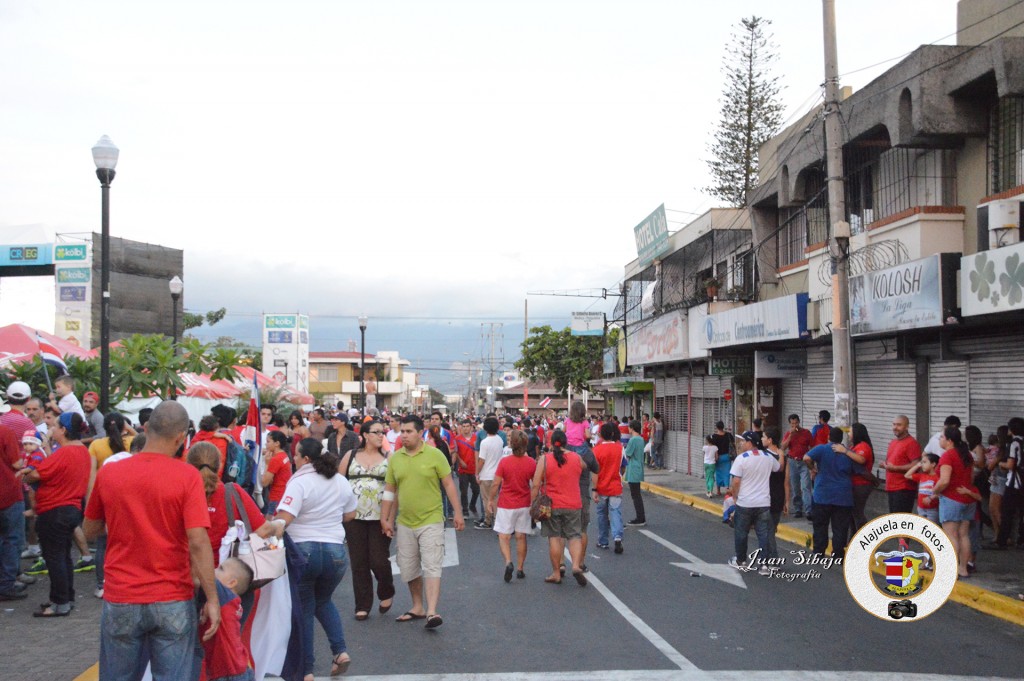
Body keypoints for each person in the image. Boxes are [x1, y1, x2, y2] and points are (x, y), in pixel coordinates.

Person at [83, 401, 220, 680]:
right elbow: (198, 542)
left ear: (144, 429)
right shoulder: (187, 477)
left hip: (122, 594)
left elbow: (89, 530)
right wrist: (213, 599)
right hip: (172, 596)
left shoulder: (110, 472)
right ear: (182, 438)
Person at [258, 438, 357, 679]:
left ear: (305, 459)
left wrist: (263, 531)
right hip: (335, 551)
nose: (294, 459)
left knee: (303, 609)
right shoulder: (340, 481)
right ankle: (340, 650)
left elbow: (284, 520)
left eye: (296, 456)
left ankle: (307, 668)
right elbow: (351, 514)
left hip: (304, 550)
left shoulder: (299, 481)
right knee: (323, 601)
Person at [380, 415, 464, 629]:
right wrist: (386, 518)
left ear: (420, 433)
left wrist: (458, 512)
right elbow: (390, 491)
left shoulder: (435, 455)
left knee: (432, 564)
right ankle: (417, 606)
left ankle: (432, 611)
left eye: (409, 431)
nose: (405, 435)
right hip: (405, 522)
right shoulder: (395, 458)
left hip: (432, 518)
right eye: (403, 432)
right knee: (408, 568)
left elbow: (449, 485)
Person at [16, 413, 93, 617]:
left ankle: (60, 602)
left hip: (55, 510)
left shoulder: (66, 452)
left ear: (64, 430)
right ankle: (65, 598)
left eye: (56, 425)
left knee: (55, 558)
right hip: (71, 508)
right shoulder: (81, 451)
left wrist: (27, 472)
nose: (53, 428)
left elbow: (36, 473)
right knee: (63, 556)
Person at [338, 420, 395, 621]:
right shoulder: (350, 455)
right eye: (376, 432)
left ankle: (386, 589)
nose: (381, 435)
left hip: (380, 517)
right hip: (354, 517)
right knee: (359, 561)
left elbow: (394, 489)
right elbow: (339, 483)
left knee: (379, 560)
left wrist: (390, 518)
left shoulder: (389, 457)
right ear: (364, 435)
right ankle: (362, 604)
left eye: (383, 432)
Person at [532, 430, 587, 586]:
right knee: (575, 536)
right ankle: (576, 566)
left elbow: (536, 484)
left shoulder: (545, 459)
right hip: (574, 503)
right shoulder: (576, 458)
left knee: (554, 538)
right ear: (566, 442)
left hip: (552, 505)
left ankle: (556, 573)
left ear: (550, 443)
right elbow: (584, 466)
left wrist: (532, 503)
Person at [488, 429, 536, 581]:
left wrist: (490, 499)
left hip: (506, 503)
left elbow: (496, 483)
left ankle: (508, 561)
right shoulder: (531, 462)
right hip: (524, 502)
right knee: (521, 536)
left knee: (504, 536)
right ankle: (520, 568)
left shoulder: (505, 462)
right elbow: (536, 484)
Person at [728, 433, 779, 573]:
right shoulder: (768, 457)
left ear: (750, 443)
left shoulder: (742, 459)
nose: (741, 443)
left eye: (743, 441)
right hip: (763, 503)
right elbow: (777, 467)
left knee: (741, 532)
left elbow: (736, 481)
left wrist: (735, 497)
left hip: (745, 503)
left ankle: (741, 560)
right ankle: (764, 565)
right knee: (763, 534)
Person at [930, 427, 977, 578]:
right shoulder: (967, 455)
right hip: (967, 498)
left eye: (942, 437)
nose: (940, 439)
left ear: (949, 441)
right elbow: (971, 479)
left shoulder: (947, 456)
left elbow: (944, 480)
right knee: (964, 535)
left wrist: (935, 491)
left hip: (951, 499)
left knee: (951, 535)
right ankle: (963, 568)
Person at [804, 427, 857, 559]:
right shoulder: (848, 453)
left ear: (829, 437)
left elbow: (806, 458)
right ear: (841, 439)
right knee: (840, 527)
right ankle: (838, 554)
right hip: (843, 495)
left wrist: (813, 468)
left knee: (820, 525)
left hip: (823, 494)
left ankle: (819, 552)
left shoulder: (822, 449)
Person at [202, 557, 255, 681]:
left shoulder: (226, 597)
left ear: (232, 583)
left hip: (229, 672)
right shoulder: (231, 602)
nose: (214, 569)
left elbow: (204, 573)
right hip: (236, 668)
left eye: (220, 569)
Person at [0, 418, 26, 602]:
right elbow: (17, 464)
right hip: (8, 492)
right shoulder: (5, 432)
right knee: (12, 539)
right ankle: (6, 584)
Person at [991, 417, 1024, 550]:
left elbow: (1010, 464)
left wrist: (1000, 463)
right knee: (1021, 513)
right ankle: (1021, 539)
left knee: (1007, 512)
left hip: (1014, 483)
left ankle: (1002, 540)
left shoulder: (1014, 444)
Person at [592, 421, 624, 553]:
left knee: (602, 514)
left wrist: (594, 489)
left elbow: (595, 472)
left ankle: (603, 540)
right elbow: (623, 466)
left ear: (600, 434)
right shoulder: (620, 448)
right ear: (612, 434)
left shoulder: (596, 450)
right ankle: (617, 537)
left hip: (601, 487)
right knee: (615, 512)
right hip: (615, 486)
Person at [884, 414, 922, 513]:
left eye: (899, 425)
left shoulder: (911, 443)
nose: (895, 427)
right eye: (894, 424)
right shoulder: (893, 442)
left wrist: (895, 468)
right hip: (891, 486)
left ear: (907, 427)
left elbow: (916, 464)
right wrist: (885, 465)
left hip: (904, 488)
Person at [843, 423, 875, 533]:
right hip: (853, 483)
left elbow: (861, 460)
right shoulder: (854, 446)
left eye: (850, 432)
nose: (848, 434)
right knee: (851, 513)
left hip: (861, 484)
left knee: (858, 513)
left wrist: (845, 451)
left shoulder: (863, 446)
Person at [781, 414, 814, 519]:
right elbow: (783, 447)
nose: (795, 425)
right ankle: (798, 509)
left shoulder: (806, 433)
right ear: (790, 424)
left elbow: (812, 447)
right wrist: (790, 436)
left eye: (796, 423)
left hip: (804, 462)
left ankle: (808, 510)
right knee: (795, 487)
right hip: (792, 462)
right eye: (792, 423)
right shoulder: (788, 434)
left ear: (799, 422)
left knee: (806, 486)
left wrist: (812, 463)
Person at [475, 416, 505, 530]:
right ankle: (498, 521)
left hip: (486, 474)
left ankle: (488, 521)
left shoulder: (485, 442)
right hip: (498, 474)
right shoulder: (500, 440)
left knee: (487, 499)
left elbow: (481, 460)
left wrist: (477, 473)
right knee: (496, 498)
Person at [761, 428, 787, 538]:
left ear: (770, 440)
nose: (762, 439)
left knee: (768, 530)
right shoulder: (782, 456)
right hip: (777, 495)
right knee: (770, 529)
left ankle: (770, 554)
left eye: (764, 437)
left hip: (768, 496)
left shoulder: (764, 456)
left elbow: (782, 473)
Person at [261, 430, 293, 517]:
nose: (266, 444)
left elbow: (264, 482)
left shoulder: (276, 459)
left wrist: (267, 464)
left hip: (276, 496)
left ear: (277, 443)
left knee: (271, 524)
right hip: (283, 494)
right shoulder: (284, 455)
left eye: (268, 441)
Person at [454, 420, 480, 517]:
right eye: (463, 426)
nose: (465, 428)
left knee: (476, 490)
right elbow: (455, 453)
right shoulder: (457, 438)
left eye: (467, 426)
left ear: (471, 427)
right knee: (463, 491)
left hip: (474, 469)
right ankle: (465, 510)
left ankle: (472, 505)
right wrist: (460, 461)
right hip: (463, 469)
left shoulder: (476, 438)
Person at [905, 454, 941, 523]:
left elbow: (941, 493)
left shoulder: (937, 477)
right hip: (921, 507)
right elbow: (907, 475)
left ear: (933, 464)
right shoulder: (922, 476)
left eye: (924, 462)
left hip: (932, 509)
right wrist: (917, 466)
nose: (922, 465)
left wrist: (931, 498)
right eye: (922, 463)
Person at [624, 419, 646, 527]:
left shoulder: (633, 440)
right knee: (637, 494)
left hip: (633, 468)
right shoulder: (641, 439)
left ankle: (640, 518)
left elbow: (627, 453)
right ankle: (641, 516)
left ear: (632, 428)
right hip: (639, 467)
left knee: (635, 495)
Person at [711, 421, 734, 497]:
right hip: (727, 456)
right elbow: (733, 444)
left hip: (718, 457)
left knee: (718, 473)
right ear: (723, 426)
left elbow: (713, 448)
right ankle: (727, 489)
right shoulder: (728, 435)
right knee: (727, 473)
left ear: (717, 427)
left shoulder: (714, 436)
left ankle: (718, 490)